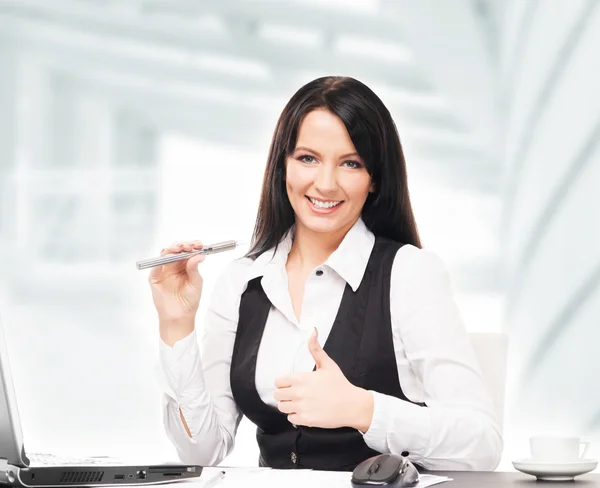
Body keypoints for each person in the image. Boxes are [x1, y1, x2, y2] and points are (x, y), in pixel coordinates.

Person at [150, 76, 503, 472]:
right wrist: (176, 325)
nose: (325, 183)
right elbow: (202, 452)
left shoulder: (409, 274)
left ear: (374, 180)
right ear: (282, 165)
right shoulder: (241, 282)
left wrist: (363, 409)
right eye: (307, 159)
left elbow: (481, 443)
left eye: (351, 163)